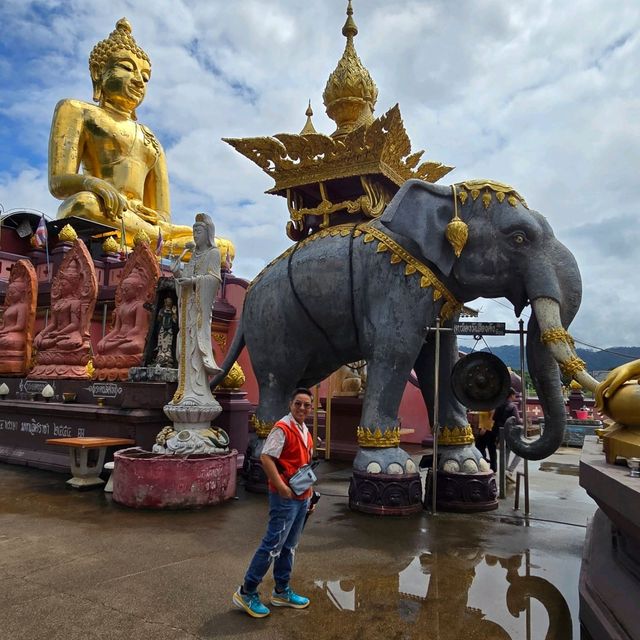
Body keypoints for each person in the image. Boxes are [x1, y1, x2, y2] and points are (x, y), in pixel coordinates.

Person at [47, 18, 233, 262]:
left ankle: (150, 246)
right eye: (126, 67)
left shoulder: (150, 139)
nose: (138, 81)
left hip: (142, 225)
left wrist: (155, 219)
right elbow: (58, 183)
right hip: (102, 211)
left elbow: (162, 215)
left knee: (223, 247)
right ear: (97, 72)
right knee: (83, 203)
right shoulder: (76, 110)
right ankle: (147, 245)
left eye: (145, 77)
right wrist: (93, 184)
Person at [233, 388, 315, 618]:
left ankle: (281, 591)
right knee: (272, 545)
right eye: (298, 403)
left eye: (306, 405)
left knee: (289, 546)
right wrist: (280, 486)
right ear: (291, 404)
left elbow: (305, 465)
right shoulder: (283, 428)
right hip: (285, 497)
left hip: (301, 496)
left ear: (310, 408)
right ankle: (247, 591)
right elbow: (266, 457)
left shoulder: (304, 430)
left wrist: (311, 495)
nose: (301, 408)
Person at [170, 213, 222, 404]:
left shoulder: (213, 253)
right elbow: (183, 283)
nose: (194, 235)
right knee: (185, 346)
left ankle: (198, 392)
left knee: (196, 349)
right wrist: (177, 272)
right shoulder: (192, 256)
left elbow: (214, 280)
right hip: (188, 309)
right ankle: (184, 389)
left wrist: (193, 281)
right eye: (193, 231)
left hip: (200, 309)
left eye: (198, 231)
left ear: (207, 233)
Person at [492, 388, 523, 482]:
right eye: (514, 395)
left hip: (500, 433)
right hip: (511, 433)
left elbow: (495, 419)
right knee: (520, 453)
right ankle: (509, 470)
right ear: (511, 395)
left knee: (506, 452)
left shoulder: (499, 406)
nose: (515, 397)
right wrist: (523, 421)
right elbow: (517, 420)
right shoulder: (512, 407)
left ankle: (505, 471)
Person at [153, 296, 178, 368]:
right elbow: (158, 319)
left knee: (168, 342)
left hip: (169, 329)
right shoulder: (162, 310)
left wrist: (174, 313)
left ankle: (167, 354)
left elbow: (175, 321)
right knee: (161, 340)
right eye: (168, 301)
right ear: (165, 302)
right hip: (162, 329)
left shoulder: (172, 310)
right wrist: (160, 316)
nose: (169, 303)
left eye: (170, 302)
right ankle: (160, 354)